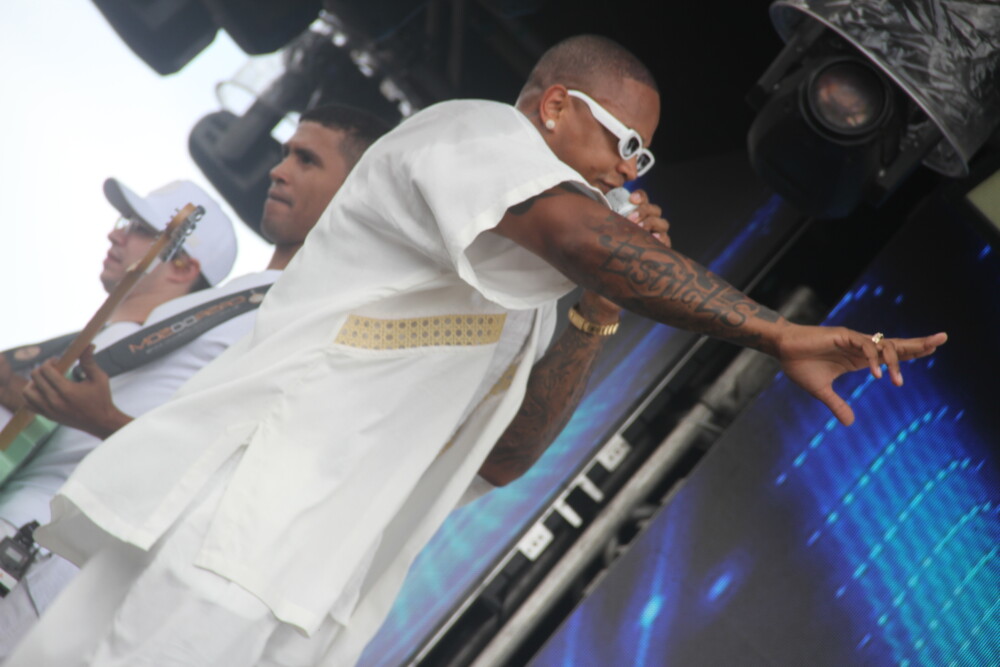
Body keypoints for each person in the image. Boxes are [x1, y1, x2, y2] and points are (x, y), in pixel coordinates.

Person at [11, 35, 945, 666]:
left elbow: (504, 455)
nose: (629, 170)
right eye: (626, 142)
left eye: (643, 160)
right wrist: (774, 329)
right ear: (554, 108)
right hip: (237, 532)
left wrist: (597, 311)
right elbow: (577, 233)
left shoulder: (520, 291)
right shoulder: (470, 133)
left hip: (309, 586)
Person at [0, 105, 392, 656]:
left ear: (355, 193)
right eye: (285, 154)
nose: (278, 170)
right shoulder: (242, 295)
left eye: (306, 161)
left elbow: (238, 482)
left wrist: (102, 419)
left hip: (56, 568)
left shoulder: (314, 325)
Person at [0, 178, 237, 654]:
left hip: (28, 554)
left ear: (183, 266)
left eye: (137, 228)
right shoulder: (94, 340)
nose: (116, 234)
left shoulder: (182, 363)